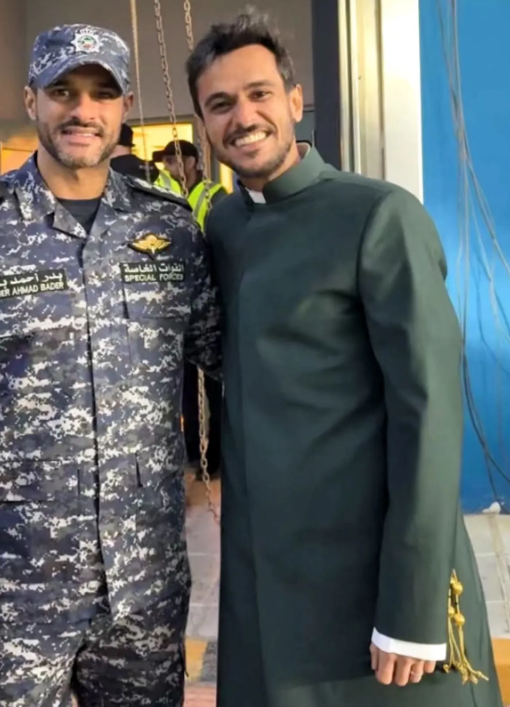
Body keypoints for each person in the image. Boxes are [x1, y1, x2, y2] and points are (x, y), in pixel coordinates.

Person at [0, 23, 220, 707]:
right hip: (8, 586)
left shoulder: (170, 229)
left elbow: (233, 359)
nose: (82, 110)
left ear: (124, 107)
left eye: (101, 93)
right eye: (62, 90)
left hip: (143, 584)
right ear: (30, 99)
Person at [185, 9, 502, 707]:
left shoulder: (377, 215)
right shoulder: (225, 224)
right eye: (221, 104)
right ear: (204, 124)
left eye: (260, 94)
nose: (244, 117)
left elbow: (428, 412)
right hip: (266, 568)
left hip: (367, 569)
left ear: (295, 99)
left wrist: (414, 602)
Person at [154, 138, 227, 480]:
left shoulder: (215, 196)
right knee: (181, 387)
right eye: (167, 161)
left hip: (207, 294)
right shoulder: (154, 192)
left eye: (176, 160)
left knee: (215, 385)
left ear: (194, 161)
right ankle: (191, 451)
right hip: (171, 297)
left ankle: (216, 455)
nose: (171, 167)